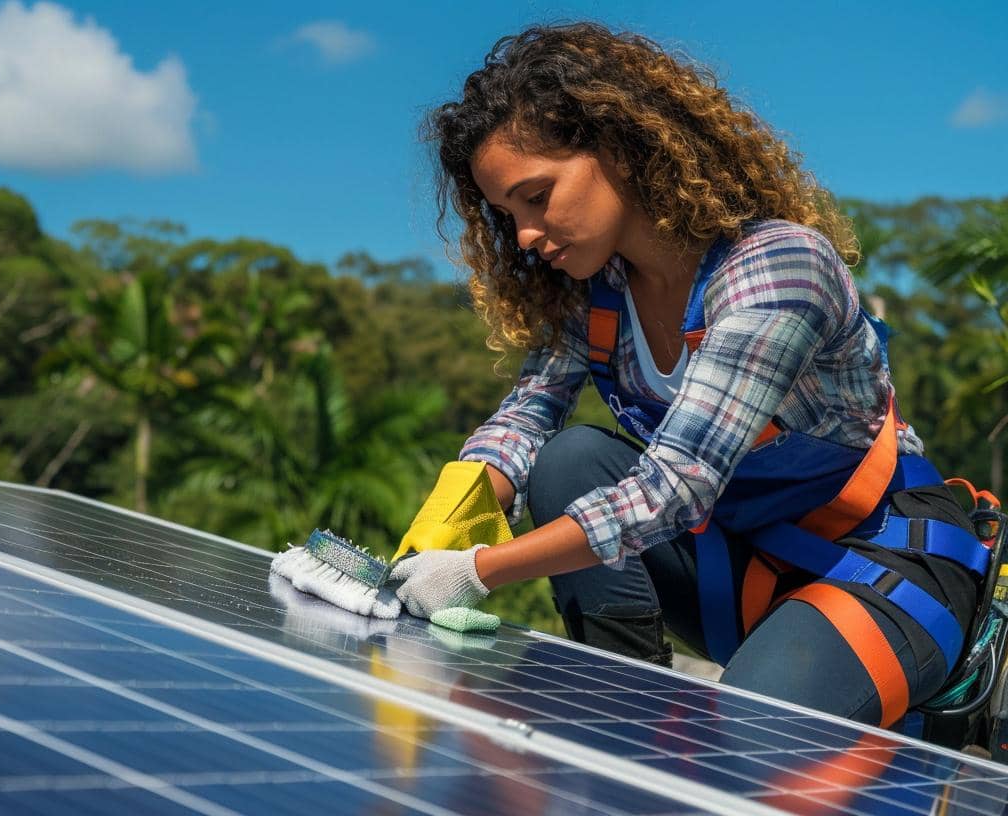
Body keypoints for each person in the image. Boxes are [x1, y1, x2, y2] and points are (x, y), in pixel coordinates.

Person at [388, 21, 991, 736]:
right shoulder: (597, 294)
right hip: (740, 570)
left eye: (537, 196)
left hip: (881, 565)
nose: (523, 235)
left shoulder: (777, 269)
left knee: (742, 738)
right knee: (570, 460)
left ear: (617, 148)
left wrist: (479, 569)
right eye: (506, 214)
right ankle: (617, 726)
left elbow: (676, 486)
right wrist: (437, 533)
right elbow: (523, 421)